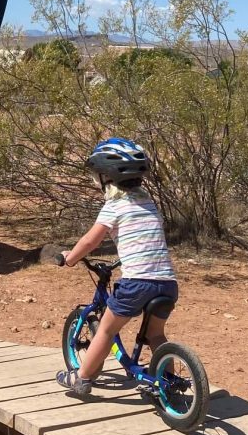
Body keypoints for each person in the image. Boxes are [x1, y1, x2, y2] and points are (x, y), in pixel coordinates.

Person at [55, 138, 178, 399]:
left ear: (105, 177)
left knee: (108, 329)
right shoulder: (149, 203)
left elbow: (91, 240)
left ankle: (82, 378)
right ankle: (167, 381)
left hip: (137, 283)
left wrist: (70, 258)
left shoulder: (114, 206)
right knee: (156, 334)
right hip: (167, 282)